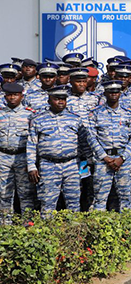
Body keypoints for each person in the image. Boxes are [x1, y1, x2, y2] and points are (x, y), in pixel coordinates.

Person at [27, 86, 87, 217]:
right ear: (49, 100)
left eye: (63, 99)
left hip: (71, 164)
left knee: (74, 202)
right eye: (57, 99)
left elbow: (84, 142)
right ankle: (48, 234)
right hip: (48, 165)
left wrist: (86, 162)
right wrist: (31, 166)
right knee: (48, 203)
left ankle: (74, 232)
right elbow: (32, 144)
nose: (60, 102)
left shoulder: (75, 119)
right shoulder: (38, 119)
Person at [87, 80, 131, 212]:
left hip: (124, 160)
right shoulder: (95, 113)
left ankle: (126, 230)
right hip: (103, 160)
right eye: (110, 92)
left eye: (116, 91)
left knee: (125, 197)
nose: (114, 94)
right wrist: (105, 157)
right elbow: (91, 137)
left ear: (120, 93)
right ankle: (99, 229)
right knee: (100, 198)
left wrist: (123, 157)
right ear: (105, 93)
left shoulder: (128, 113)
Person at [0, 83, 35, 223]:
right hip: (3, 157)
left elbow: (34, 140)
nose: (12, 97)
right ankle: (5, 226)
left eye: (15, 95)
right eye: (9, 95)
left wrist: (32, 161)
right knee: (3, 193)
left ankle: (28, 225)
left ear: (21, 96)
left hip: (23, 157)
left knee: (26, 193)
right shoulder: (1, 114)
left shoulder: (30, 115)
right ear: (5, 96)